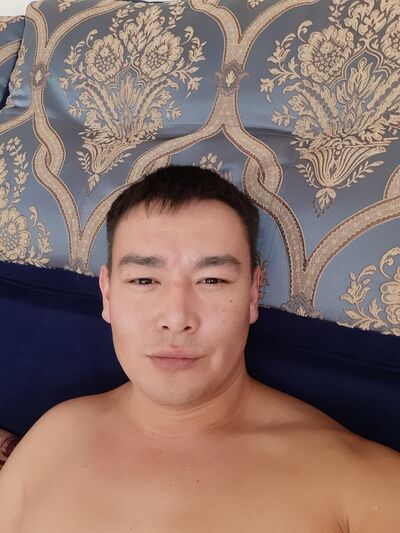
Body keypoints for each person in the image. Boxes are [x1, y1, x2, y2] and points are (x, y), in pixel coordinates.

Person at [0, 165, 399, 532]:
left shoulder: (355, 482)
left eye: (212, 280)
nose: (177, 318)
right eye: (144, 280)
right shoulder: (53, 437)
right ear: (107, 295)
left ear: (252, 295)